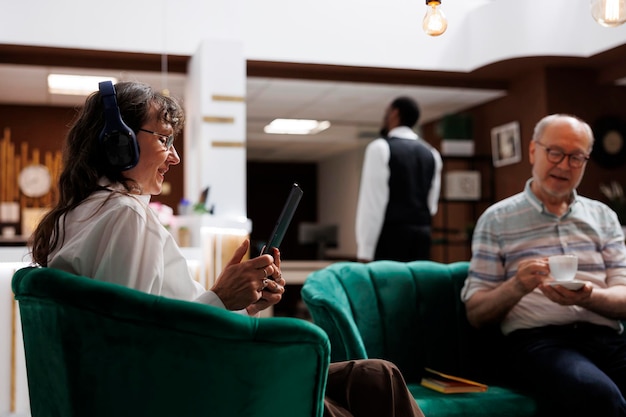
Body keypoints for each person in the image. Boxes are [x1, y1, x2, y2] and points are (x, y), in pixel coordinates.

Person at [30, 81, 424, 417]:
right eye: (164, 140)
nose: (175, 156)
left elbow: (149, 323)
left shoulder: (77, 216)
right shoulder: (124, 216)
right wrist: (219, 298)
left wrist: (236, 301)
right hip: (193, 386)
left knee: (376, 377)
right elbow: (138, 352)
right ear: (117, 143)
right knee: (378, 380)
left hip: (192, 367)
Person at [461, 114, 626, 417]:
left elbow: (623, 295)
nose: (564, 165)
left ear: (586, 161)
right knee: (599, 396)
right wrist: (518, 286)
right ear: (533, 151)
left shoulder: (604, 217)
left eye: (576, 157)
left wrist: (589, 297)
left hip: (609, 337)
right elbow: (476, 312)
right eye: (555, 153)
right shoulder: (496, 220)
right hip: (539, 342)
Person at [355, 96, 442, 262]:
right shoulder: (432, 153)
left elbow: (373, 205)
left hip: (390, 238)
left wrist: (365, 251)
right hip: (422, 237)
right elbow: (431, 205)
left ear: (395, 114)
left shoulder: (380, 147)